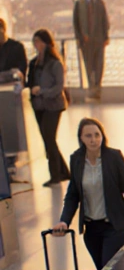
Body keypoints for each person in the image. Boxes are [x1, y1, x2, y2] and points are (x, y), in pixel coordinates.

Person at [53, 118, 124, 270]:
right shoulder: (76, 160)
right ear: (81, 138)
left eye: (97, 135)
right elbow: (73, 195)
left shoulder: (114, 157)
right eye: (88, 136)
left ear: (102, 136)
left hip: (114, 226)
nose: (93, 140)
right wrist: (64, 221)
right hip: (91, 229)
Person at [28, 29, 70, 187]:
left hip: (53, 105)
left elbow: (58, 87)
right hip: (39, 106)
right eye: (35, 42)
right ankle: (63, 171)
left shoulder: (55, 64)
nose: (36, 45)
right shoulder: (34, 63)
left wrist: (42, 91)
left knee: (49, 138)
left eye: (39, 42)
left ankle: (55, 174)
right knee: (47, 138)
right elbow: (30, 81)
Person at [73, 0, 110, 100]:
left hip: (99, 40)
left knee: (99, 65)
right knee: (89, 66)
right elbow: (76, 23)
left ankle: (97, 89)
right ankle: (91, 89)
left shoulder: (99, 3)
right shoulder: (79, 4)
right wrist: (80, 38)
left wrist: (106, 36)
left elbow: (105, 20)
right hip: (86, 42)